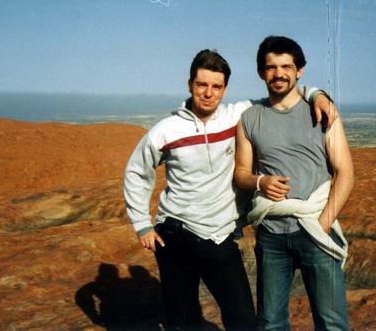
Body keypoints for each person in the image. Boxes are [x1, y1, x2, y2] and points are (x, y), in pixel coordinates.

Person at [123, 49, 336, 330]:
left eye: (217, 86)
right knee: (182, 320)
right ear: (190, 85)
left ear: (225, 89)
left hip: (218, 236)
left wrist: (317, 94)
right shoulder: (166, 130)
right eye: (202, 85)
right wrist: (142, 224)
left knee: (243, 320)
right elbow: (137, 171)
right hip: (174, 236)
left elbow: (283, 91)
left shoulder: (237, 115)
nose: (209, 93)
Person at [235, 36, 354, 330]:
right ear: (262, 72)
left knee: (331, 324)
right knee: (270, 323)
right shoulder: (249, 118)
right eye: (271, 67)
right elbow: (240, 172)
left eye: (286, 66)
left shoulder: (323, 112)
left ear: (299, 70)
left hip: (316, 230)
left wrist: (323, 224)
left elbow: (345, 172)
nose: (279, 73)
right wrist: (260, 181)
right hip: (272, 236)